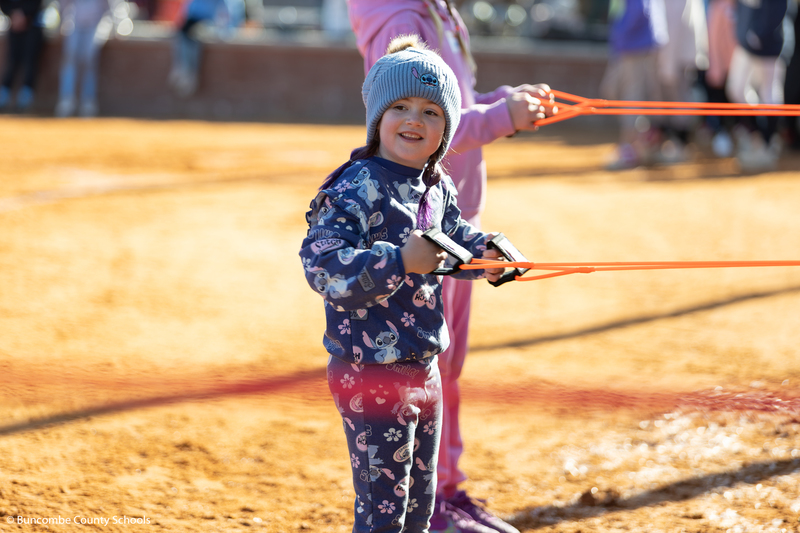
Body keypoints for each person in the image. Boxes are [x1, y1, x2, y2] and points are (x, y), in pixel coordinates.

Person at [345, 2, 553, 532]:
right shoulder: (399, 19)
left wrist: (503, 104)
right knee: (428, 374)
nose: (416, 117)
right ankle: (436, 499)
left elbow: (449, 105)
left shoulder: (436, 12)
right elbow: (415, 118)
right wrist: (505, 117)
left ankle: (444, 493)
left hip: (445, 215)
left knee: (445, 367)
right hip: (417, 230)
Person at [299, 34, 509, 533]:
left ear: (448, 127)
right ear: (377, 117)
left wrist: (486, 254)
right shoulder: (355, 184)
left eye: (431, 112)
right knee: (382, 514)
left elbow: (457, 236)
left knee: (419, 504)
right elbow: (322, 266)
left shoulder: (437, 185)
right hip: (369, 372)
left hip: (424, 366)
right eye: (400, 107)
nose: (414, 119)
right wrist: (399, 261)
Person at [600, 0, 669, 169]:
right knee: (620, 92)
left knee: (631, 97)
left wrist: (621, 35)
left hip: (635, 44)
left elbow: (639, 9)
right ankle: (643, 143)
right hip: (634, 43)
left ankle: (631, 149)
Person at [726, 0, 789, 172]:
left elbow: (778, 8)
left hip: (768, 44)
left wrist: (761, 33)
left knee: (769, 95)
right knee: (736, 89)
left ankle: (767, 143)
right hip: (746, 41)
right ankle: (758, 136)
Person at [167, 0, 244, 97]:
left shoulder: (228, 2)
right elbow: (190, 13)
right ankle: (183, 69)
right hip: (198, 26)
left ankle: (188, 73)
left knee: (193, 34)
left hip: (216, 28)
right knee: (186, 32)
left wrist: (219, 30)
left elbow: (230, 20)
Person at [54, 0, 110, 117]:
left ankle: (88, 101)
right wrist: (61, 22)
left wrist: (111, 26)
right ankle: (66, 99)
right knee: (69, 59)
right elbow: (63, 4)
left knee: (89, 60)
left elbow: (109, 8)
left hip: (95, 24)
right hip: (74, 25)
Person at [0, 0, 45, 111]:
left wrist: (24, 15)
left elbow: (37, 3)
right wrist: (12, 15)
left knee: (30, 62)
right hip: (14, 26)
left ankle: (25, 100)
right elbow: (4, 3)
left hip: (32, 25)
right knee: (12, 61)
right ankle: (4, 97)